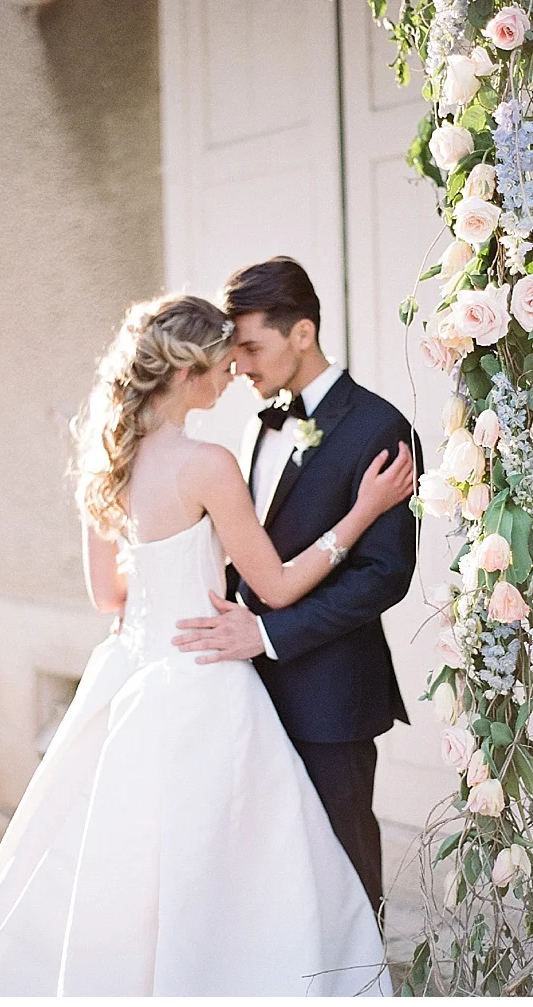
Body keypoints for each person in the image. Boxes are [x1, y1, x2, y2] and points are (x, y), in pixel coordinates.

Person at [0, 295, 413, 996]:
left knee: (119, 862)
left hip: (131, 669)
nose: (231, 380)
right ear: (188, 372)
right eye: (223, 366)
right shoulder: (208, 463)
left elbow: (110, 597)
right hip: (201, 680)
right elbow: (277, 588)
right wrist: (361, 515)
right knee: (230, 868)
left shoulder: (109, 460)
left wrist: (173, 577)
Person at [172, 257, 418, 916]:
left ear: (301, 333)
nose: (241, 366)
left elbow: (383, 575)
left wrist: (269, 632)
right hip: (248, 688)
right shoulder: (263, 423)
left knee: (345, 874)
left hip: (332, 693)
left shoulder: (379, 427)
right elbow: (261, 550)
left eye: (251, 346)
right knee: (273, 875)